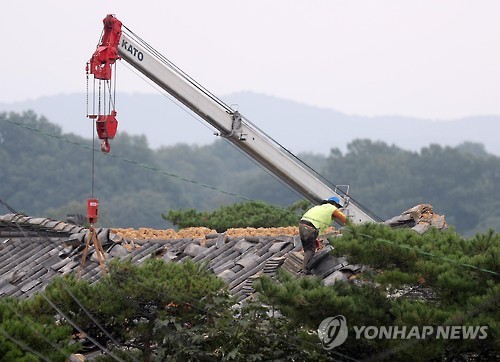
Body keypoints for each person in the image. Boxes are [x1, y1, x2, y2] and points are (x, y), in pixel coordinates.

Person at [299, 196, 347, 274]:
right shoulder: (332, 208)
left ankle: (304, 267)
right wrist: (354, 226)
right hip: (310, 227)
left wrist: (315, 239)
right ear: (335, 204)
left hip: (302, 225)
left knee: (307, 248)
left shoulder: (318, 207)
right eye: (337, 206)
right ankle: (304, 269)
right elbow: (344, 218)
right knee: (311, 250)